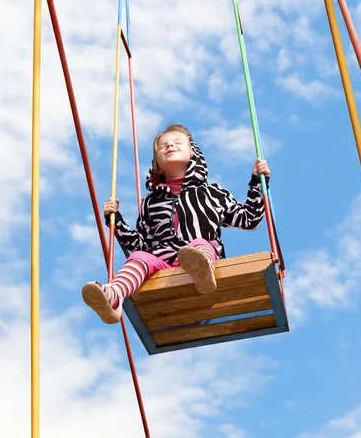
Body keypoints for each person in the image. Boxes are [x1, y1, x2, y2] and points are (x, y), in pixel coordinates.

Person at [82, 124, 270, 324]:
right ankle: (114, 296)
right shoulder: (150, 202)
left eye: (177, 142)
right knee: (138, 257)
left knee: (199, 244)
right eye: (163, 146)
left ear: (193, 153)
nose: (170, 145)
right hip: (162, 264)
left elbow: (249, 219)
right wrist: (116, 220)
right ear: (157, 164)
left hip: (203, 254)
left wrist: (258, 183)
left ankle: (202, 270)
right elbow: (141, 243)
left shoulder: (212, 193)